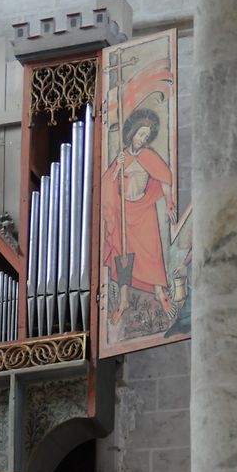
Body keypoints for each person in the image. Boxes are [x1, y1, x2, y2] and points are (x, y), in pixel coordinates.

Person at [101, 108, 177, 323]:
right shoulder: (122, 155)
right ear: (132, 133)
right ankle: (123, 300)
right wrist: (119, 166)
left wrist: (169, 200)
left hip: (143, 211)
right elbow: (108, 183)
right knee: (123, 255)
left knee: (152, 253)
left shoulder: (148, 155)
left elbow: (164, 176)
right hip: (124, 212)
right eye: (140, 134)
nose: (143, 138)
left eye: (146, 136)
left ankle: (160, 293)